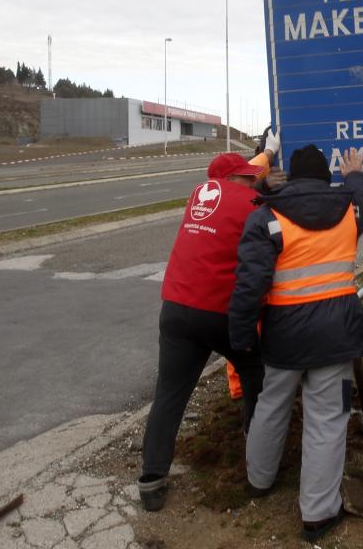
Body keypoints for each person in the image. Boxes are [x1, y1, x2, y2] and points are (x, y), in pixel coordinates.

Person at [229, 144, 363, 543]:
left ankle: (259, 480)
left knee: (271, 404)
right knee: (328, 419)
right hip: (336, 334)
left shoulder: (267, 215)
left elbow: (248, 286)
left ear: (290, 177)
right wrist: (355, 175)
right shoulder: (349, 209)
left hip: (284, 335)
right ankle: (317, 514)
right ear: (327, 178)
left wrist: (241, 338)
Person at [138, 134, 281, 512]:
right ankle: (257, 455)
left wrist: (265, 156)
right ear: (235, 180)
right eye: (248, 177)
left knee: (169, 393)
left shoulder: (197, 196)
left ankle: (152, 480)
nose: (254, 180)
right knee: (257, 374)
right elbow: (268, 217)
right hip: (220, 312)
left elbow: (240, 187)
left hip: (176, 308)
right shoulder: (250, 201)